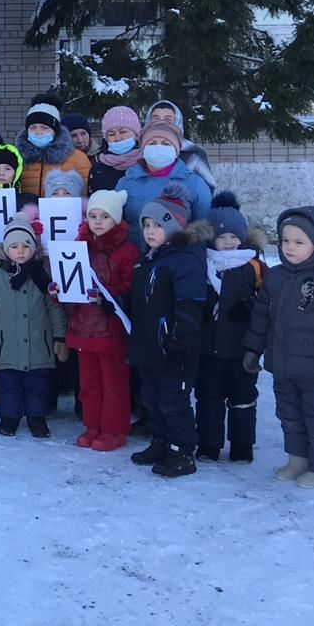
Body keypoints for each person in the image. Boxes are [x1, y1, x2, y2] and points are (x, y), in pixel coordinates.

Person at [243, 207, 314, 489]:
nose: (289, 247)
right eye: (285, 240)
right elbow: (261, 318)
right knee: (289, 416)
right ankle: (298, 460)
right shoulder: (275, 277)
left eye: (299, 242)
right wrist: (252, 349)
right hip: (283, 367)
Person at [127, 183, 207, 479]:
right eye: (146, 224)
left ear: (175, 226)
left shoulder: (186, 260)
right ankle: (160, 441)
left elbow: (191, 302)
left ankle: (182, 451)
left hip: (175, 348)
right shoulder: (147, 260)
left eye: (158, 225)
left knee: (174, 401)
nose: (150, 230)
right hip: (149, 345)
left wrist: (181, 337)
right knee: (152, 398)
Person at [57, 190, 138, 452]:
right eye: (93, 216)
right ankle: (92, 425)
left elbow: (130, 288)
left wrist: (108, 296)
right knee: (89, 383)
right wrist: (58, 291)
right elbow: (69, 283)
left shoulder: (127, 251)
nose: (98, 221)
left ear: (116, 219)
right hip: (82, 328)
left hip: (110, 330)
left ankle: (114, 429)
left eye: (105, 216)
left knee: (113, 382)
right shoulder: (78, 246)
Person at [194, 192, 267, 464]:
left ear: (243, 238)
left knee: (243, 398)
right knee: (208, 399)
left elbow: (267, 303)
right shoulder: (203, 264)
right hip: (208, 348)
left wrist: (250, 307)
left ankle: (242, 444)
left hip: (241, 348)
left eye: (233, 237)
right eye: (221, 238)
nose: (227, 243)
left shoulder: (254, 267)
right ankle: (208, 445)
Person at [0, 221, 67, 437]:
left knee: (38, 386)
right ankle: (9, 418)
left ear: (34, 249)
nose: (20, 251)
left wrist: (59, 337)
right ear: (6, 249)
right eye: (15, 246)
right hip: (8, 346)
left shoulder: (43, 277)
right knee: (9, 386)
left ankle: (37, 418)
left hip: (39, 346)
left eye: (26, 246)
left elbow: (55, 309)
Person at [119, 121, 213, 248]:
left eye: (166, 144)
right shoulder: (127, 182)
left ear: (177, 150)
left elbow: (203, 226)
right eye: (152, 143)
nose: (158, 147)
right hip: (134, 258)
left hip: (177, 258)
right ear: (142, 149)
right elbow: (116, 223)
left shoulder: (195, 183)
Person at [14, 93, 92, 197]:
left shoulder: (78, 158)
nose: (38, 132)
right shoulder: (17, 158)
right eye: (33, 127)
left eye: (44, 127)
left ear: (55, 131)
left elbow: (84, 196)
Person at [145, 100, 216, 191]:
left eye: (168, 119)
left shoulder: (192, 154)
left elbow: (208, 187)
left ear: (177, 123)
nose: (161, 124)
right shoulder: (141, 151)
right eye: (156, 119)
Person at [89, 106, 143, 193]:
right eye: (111, 134)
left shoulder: (148, 163)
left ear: (136, 135)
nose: (118, 138)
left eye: (123, 132)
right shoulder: (97, 168)